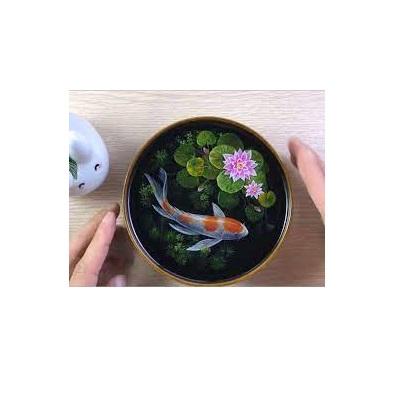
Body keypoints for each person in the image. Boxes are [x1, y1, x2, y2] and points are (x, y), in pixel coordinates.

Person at [69, 138, 325, 286]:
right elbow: (208, 236)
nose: (239, 229)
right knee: (167, 208)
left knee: (168, 210)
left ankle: (161, 196)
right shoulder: (220, 232)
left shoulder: (220, 225)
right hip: (180, 216)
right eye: (238, 229)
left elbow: (209, 231)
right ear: (227, 225)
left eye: (237, 230)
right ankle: (161, 194)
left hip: (183, 217)